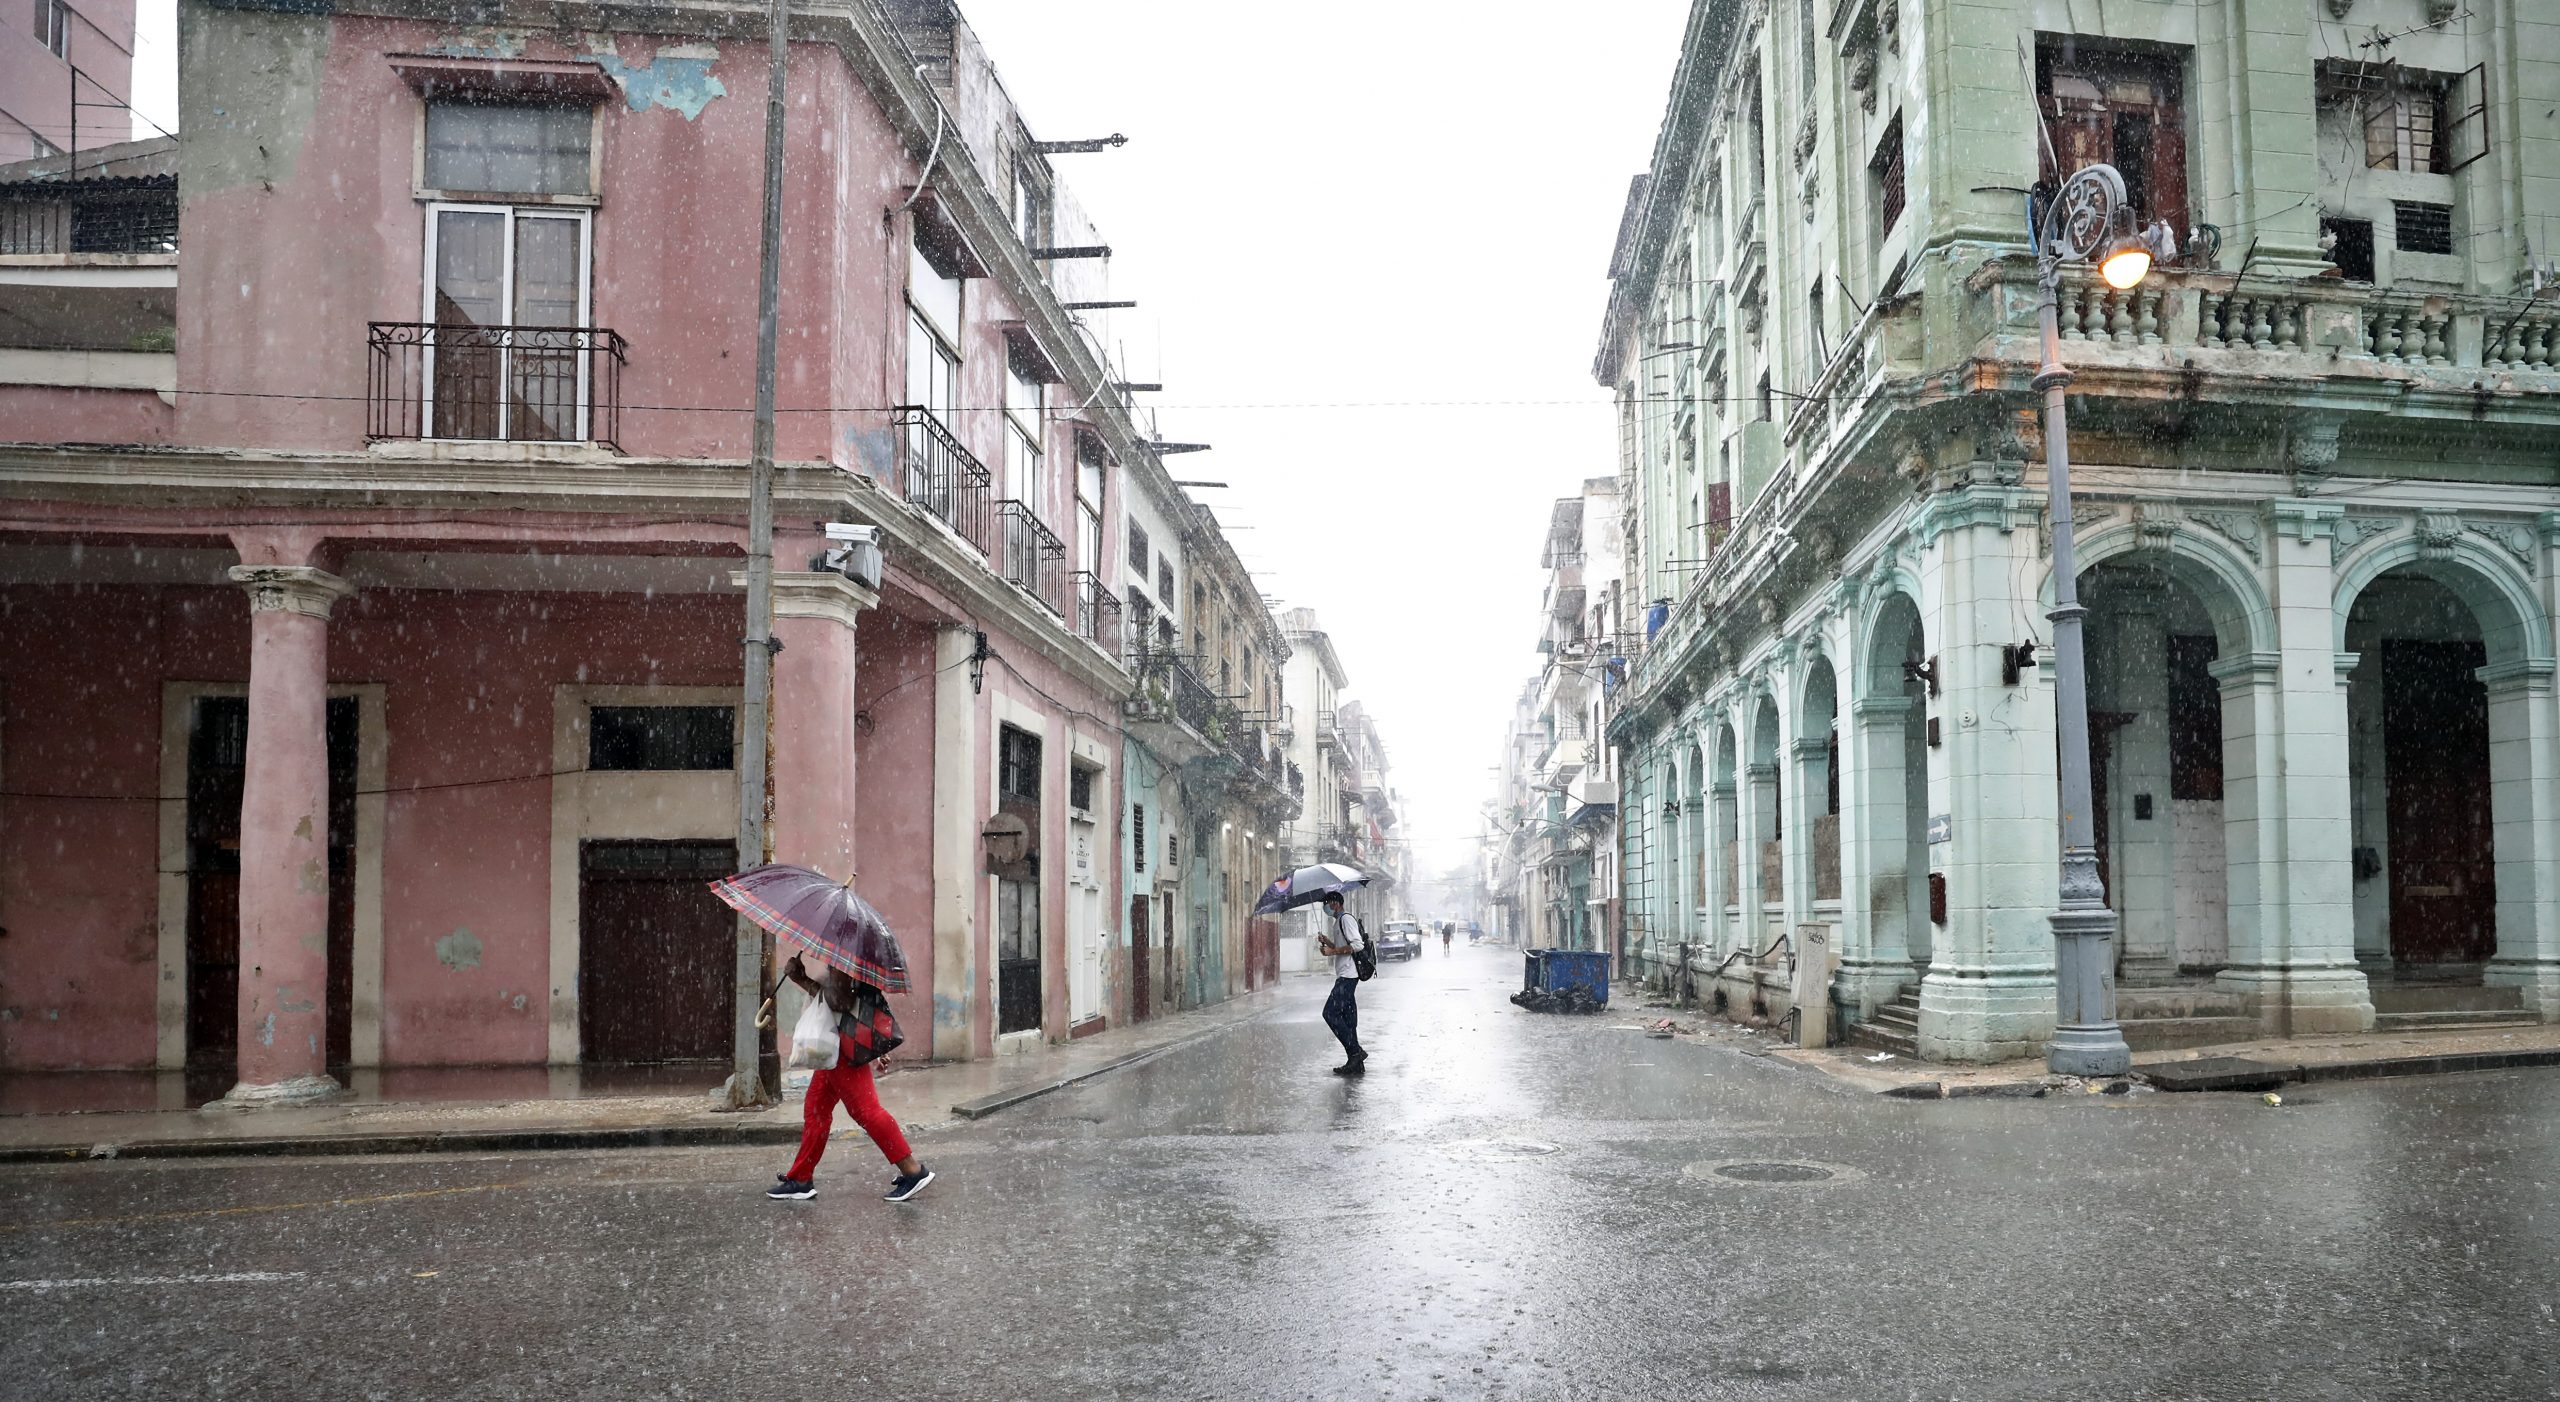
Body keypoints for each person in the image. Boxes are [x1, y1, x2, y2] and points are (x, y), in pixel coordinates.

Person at [767, 951, 934, 1203]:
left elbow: (841, 1002)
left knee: (866, 1111)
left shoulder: (844, 956)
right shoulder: (846, 953)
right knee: (816, 1109)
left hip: (841, 1049)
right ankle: (801, 1178)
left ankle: (912, 1170)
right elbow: (850, 999)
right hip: (835, 1043)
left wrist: (801, 979)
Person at [1316, 892, 1366, 1076]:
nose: (1326, 907)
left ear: (1336, 903)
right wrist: (1328, 942)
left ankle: (1355, 1051)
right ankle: (1355, 1063)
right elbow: (1341, 946)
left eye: (1327, 903)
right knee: (1349, 1019)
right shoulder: (1338, 922)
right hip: (1344, 975)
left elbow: (1358, 945)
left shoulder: (1346, 919)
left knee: (1330, 1013)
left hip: (1349, 975)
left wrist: (1332, 951)